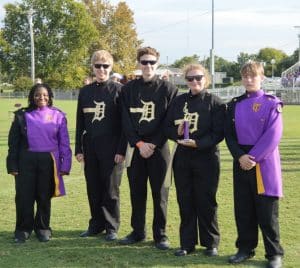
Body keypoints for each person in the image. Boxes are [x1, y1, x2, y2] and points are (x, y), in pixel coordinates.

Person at [225, 61, 284, 268]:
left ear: (262, 78)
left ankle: (274, 253)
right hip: (241, 161)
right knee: (243, 209)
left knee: (267, 212)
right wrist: (240, 156)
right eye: (245, 76)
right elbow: (229, 135)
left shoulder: (272, 102)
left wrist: (253, 158)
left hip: (264, 163)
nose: (249, 80)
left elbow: (273, 135)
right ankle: (244, 248)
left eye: (253, 76)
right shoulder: (234, 104)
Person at [119, 46, 178, 250]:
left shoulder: (169, 89)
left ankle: (160, 234)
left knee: (160, 193)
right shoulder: (127, 90)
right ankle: (137, 231)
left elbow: (169, 121)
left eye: (152, 62)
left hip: (159, 149)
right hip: (136, 148)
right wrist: (139, 143)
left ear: (157, 64)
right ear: (139, 64)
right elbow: (125, 121)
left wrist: (153, 143)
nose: (148, 66)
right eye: (144, 62)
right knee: (137, 192)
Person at [164, 64, 225, 257]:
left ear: (205, 79)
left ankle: (210, 243)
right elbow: (168, 127)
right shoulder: (178, 101)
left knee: (206, 201)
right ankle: (187, 243)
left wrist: (197, 143)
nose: (194, 81)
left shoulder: (215, 102)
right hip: (182, 157)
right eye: (190, 79)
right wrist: (177, 133)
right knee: (185, 200)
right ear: (186, 81)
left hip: (207, 158)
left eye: (198, 77)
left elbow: (218, 133)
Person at [7, 83, 72, 243]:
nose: (41, 97)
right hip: (25, 161)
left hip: (48, 161)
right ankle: (23, 229)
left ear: (49, 96)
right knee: (24, 197)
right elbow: (13, 143)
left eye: (44, 95)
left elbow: (64, 142)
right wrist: (12, 165)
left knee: (44, 196)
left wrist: (65, 165)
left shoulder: (58, 115)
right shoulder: (21, 115)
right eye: (37, 95)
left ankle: (43, 228)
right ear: (32, 97)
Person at [75, 50, 126, 241]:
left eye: (105, 66)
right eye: (98, 66)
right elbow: (80, 121)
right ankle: (96, 224)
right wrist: (79, 148)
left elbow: (124, 124)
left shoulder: (119, 90)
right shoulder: (85, 91)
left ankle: (111, 226)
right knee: (93, 187)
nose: (102, 69)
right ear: (93, 67)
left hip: (112, 146)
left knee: (110, 189)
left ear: (111, 67)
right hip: (91, 146)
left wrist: (121, 150)